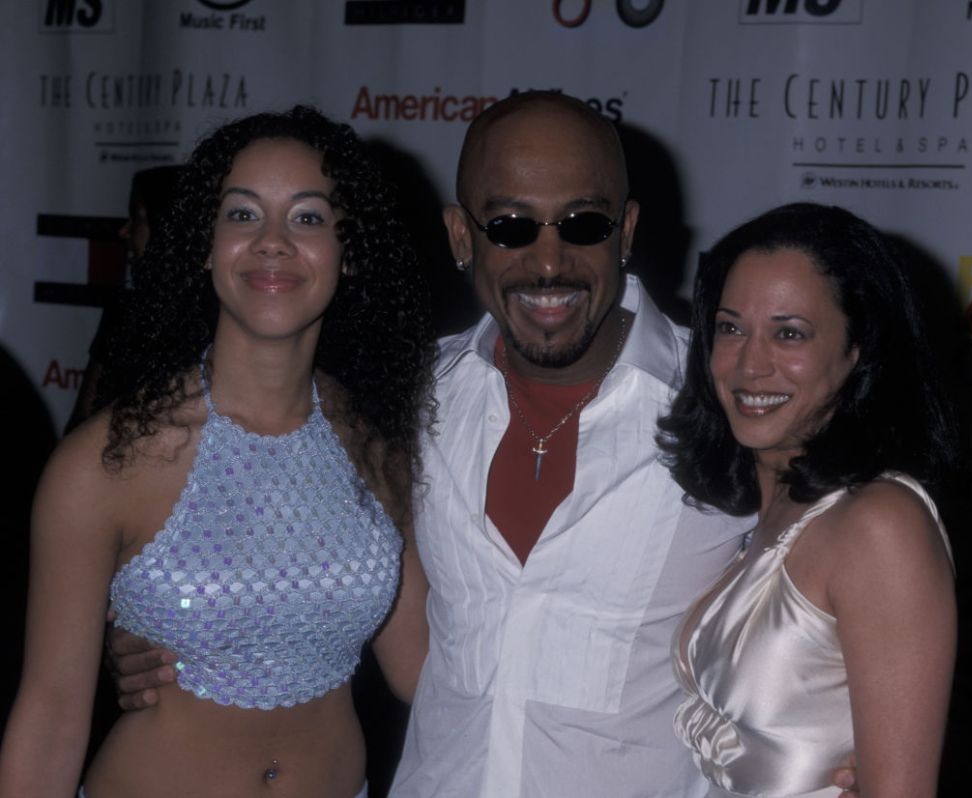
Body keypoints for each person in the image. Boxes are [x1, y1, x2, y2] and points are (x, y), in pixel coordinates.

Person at [107, 92, 861, 797]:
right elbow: (350, 604)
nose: (548, 260)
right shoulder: (408, 404)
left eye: (583, 224)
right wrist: (171, 635)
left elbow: (858, 569)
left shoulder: (729, 403)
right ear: (462, 236)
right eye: (510, 226)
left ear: (625, 232)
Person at [0, 105, 433, 798]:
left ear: (349, 253)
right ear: (204, 244)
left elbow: (425, 670)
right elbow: (50, 716)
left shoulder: (379, 447)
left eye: (309, 217)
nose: (272, 241)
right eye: (242, 214)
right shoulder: (104, 464)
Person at [658, 202, 958, 797]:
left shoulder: (878, 525)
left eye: (789, 333)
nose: (750, 363)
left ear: (856, 350)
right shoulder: (766, 515)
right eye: (730, 327)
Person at [65, 164, 188, 432]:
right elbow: (81, 425)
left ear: (165, 225)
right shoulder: (126, 310)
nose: (124, 231)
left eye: (136, 217)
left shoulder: (222, 317)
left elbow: (81, 422)